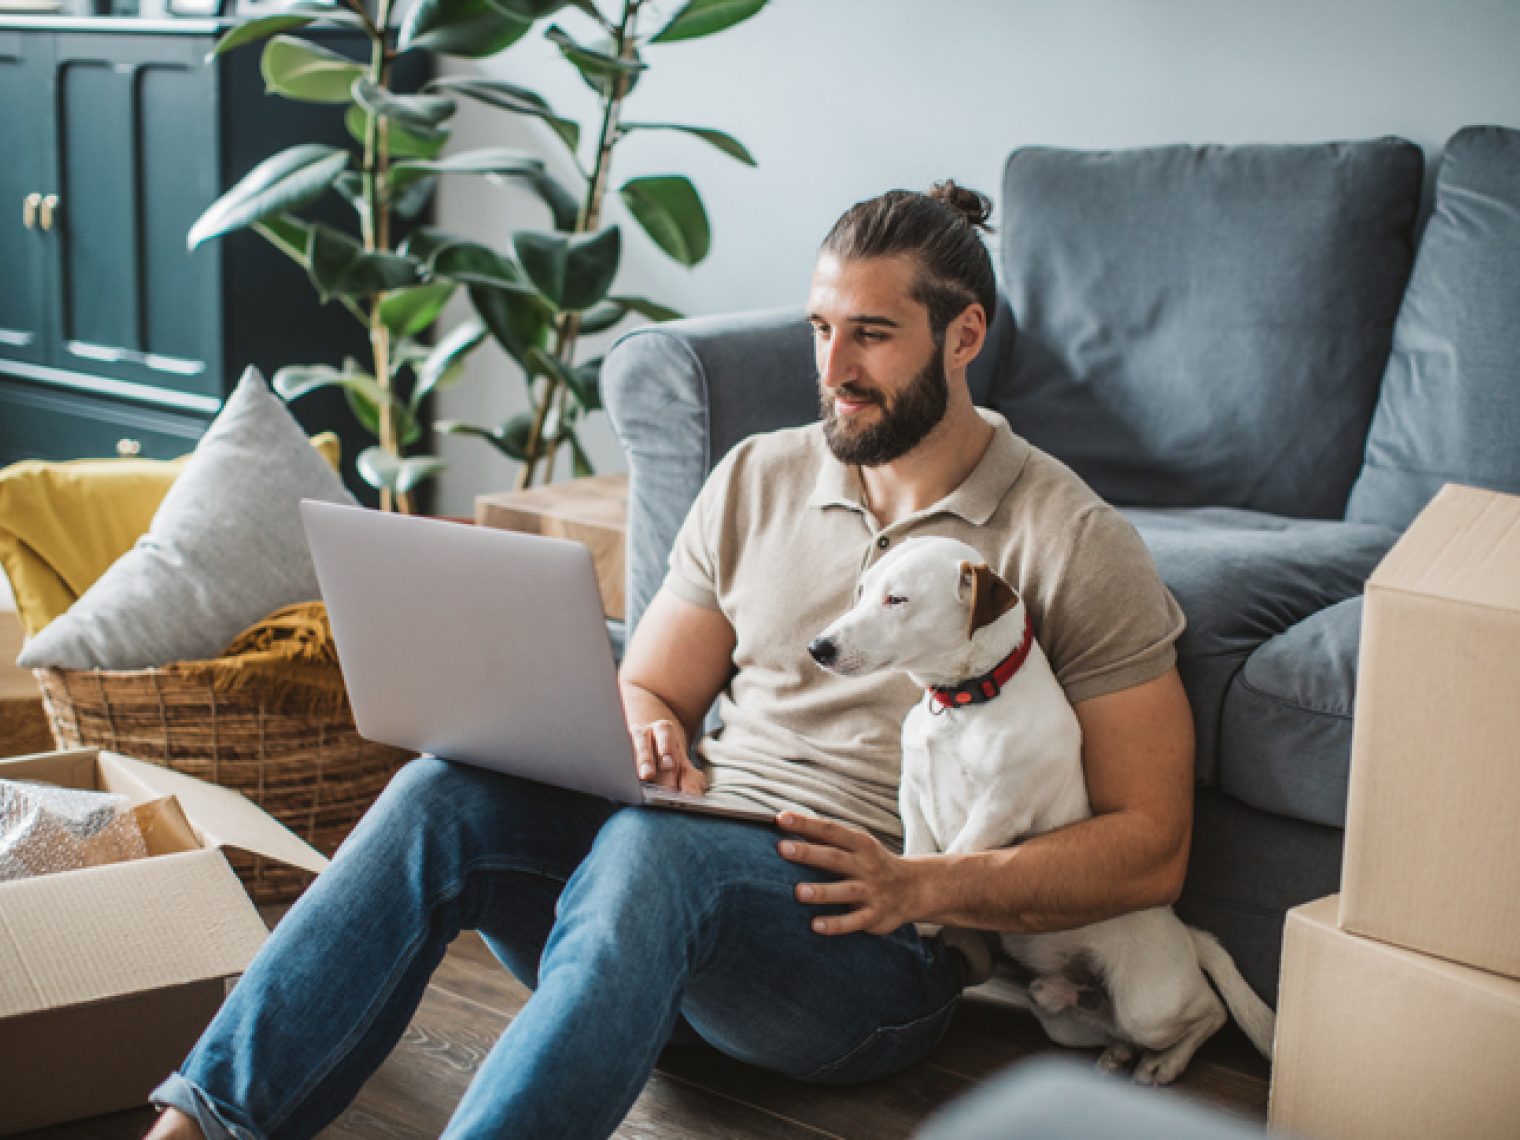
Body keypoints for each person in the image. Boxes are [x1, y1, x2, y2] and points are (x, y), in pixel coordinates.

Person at [146, 182, 1192, 1140]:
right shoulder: (758, 477)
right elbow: (650, 684)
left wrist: (921, 886)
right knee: (444, 794)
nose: (831, 372)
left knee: (655, 857)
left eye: (870, 336)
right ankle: (195, 1129)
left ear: (963, 334)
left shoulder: (1067, 537)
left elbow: (1150, 847)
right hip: (659, 907)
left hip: (873, 957)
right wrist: (644, 727)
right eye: (820, 330)